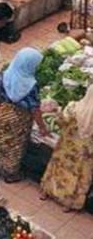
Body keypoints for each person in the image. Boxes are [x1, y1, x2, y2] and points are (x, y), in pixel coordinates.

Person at [0, 47, 50, 183]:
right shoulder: (30, 85)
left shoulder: (5, 75)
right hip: (20, 120)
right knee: (15, 146)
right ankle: (10, 174)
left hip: (5, 112)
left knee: (1, 139)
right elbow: (34, 109)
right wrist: (42, 127)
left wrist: (3, 110)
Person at [40, 84, 93, 212]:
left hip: (66, 147)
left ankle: (46, 192)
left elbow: (61, 122)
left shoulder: (73, 107)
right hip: (85, 152)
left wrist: (56, 111)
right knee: (77, 175)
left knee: (58, 168)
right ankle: (67, 203)